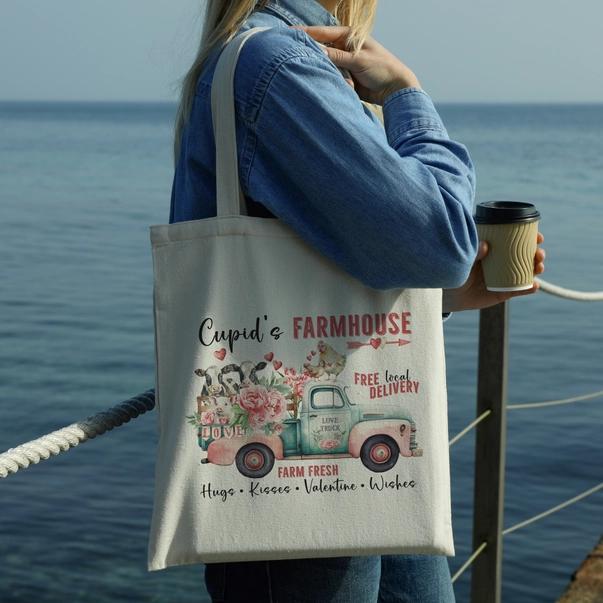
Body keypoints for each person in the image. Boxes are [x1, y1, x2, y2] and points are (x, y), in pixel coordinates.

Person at [169, 1, 546, 601]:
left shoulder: (273, 56)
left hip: (355, 469)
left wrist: (437, 297)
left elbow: (334, 258)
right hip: (303, 505)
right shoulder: (279, 62)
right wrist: (405, 93)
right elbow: (441, 240)